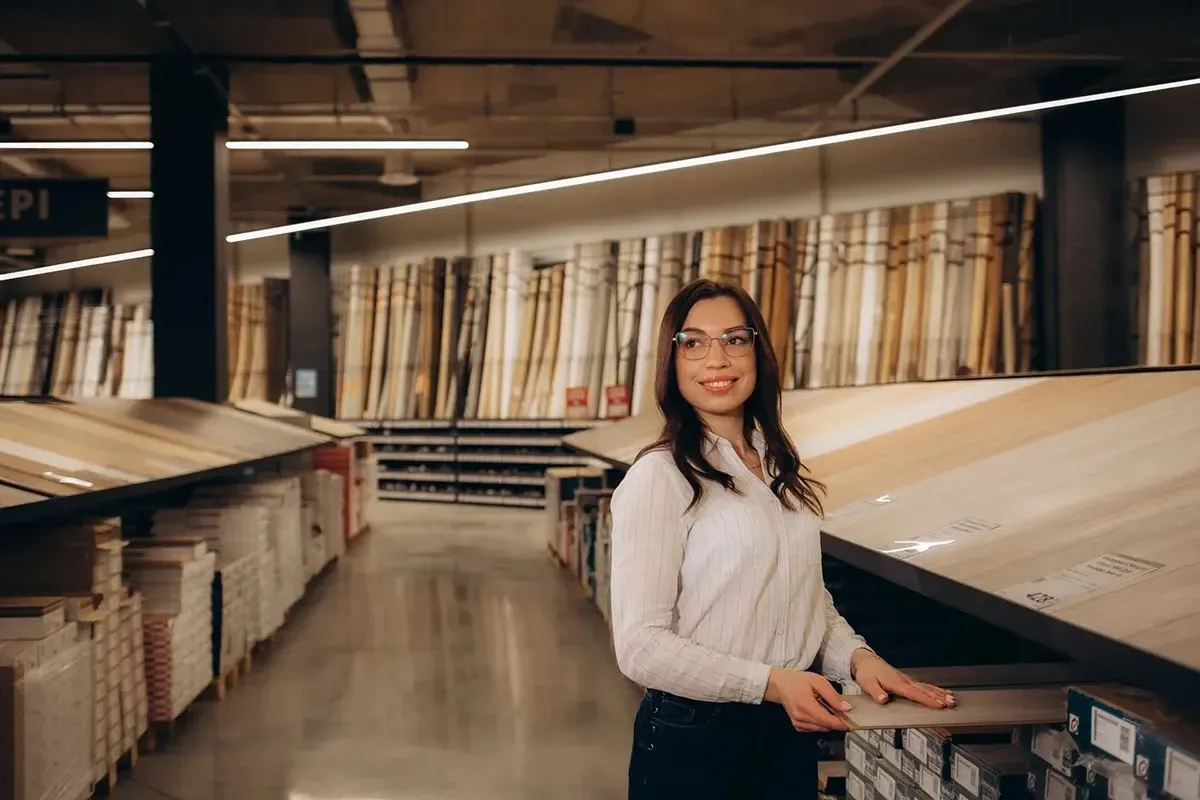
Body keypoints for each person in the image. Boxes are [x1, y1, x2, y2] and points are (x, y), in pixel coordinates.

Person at [609, 279, 955, 799]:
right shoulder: (660, 477)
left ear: (757, 351)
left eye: (734, 338)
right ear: (672, 360)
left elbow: (801, 598)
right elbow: (640, 647)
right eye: (695, 342)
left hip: (786, 728)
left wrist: (861, 662)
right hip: (694, 740)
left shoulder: (776, 467)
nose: (717, 359)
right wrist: (771, 682)